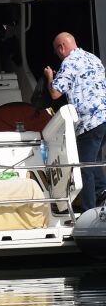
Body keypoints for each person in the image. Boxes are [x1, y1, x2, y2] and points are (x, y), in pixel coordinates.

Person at [46, 31, 106, 209]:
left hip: (89, 122)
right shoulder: (93, 58)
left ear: (61, 48)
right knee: (93, 160)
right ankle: (102, 195)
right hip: (104, 118)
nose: (59, 56)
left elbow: (55, 93)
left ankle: (90, 211)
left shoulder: (69, 62)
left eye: (57, 52)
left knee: (84, 167)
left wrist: (50, 76)